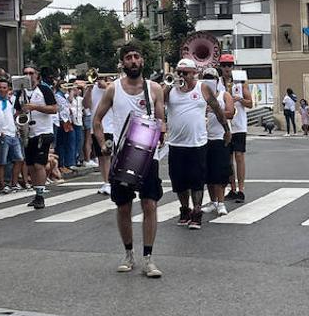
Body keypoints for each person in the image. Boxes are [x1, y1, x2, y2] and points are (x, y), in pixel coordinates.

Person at [91, 44, 166, 277]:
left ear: (142, 61)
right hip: (122, 156)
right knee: (123, 207)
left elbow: (162, 121)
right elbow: (97, 120)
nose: (133, 61)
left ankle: (148, 258)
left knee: (150, 205)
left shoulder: (154, 89)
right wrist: (103, 144)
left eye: (136, 57)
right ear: (123, 63)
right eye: (128, 58)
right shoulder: (113, 89)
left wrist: (162, 134)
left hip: (148, 157)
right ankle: (128, 254)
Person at [164, 59, 229, 230]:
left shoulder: (203, 88)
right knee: (179, 181)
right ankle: (185, 209)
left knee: (197, 180)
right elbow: (157, 102)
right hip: (176, 143)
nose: (181, 75)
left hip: (197, 143)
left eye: (185, 72)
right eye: (179, 72)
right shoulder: (171, 90)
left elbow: (217, 109)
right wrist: (167, 86)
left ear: (194, 73)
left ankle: (197, 211)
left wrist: (226, 130)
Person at [19, 65, 58, 209]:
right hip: (29, 132)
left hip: (44, 131)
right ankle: (37, 193)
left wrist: (35, 107)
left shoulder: (44, 90)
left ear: (37, 75)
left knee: (38, 164)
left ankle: (40, 195)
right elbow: (18, 112)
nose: (28, 75)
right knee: (30, 165)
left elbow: (54, 108)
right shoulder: (21, 92)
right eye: (25, 73)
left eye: (31, 73)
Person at [200, 66, 235, 216]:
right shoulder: (200, 95)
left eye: (211, 78)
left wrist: (214, 109)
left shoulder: (224, 95)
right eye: (206, 77)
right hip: (204, 137)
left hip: (219, 137)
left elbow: (231, 112)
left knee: (220, 172)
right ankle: (213, 201)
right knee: (207, 172)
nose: (208, 80)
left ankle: (221, 202)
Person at [222, 54, 252, 203]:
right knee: (227, 159)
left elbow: (250, 103)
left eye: (229, 65)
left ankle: (241, 189)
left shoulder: (241, 83)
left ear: (233, 66)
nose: (227, 68)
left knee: (239, 157)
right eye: (224, 65)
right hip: (224, 126)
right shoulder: (217, 83)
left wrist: (239, 99)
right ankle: (232, 188)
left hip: (239, 125)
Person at [0, 79, 24, 194]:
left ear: (8, 89)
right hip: (2, 134)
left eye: (4, 88)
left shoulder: (10, 101)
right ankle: (2, 186)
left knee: (19, 159)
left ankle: (14, 184)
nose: (2, 90)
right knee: (1, 162)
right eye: (0, 87)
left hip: (13, 133)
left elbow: (12, 114)